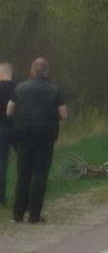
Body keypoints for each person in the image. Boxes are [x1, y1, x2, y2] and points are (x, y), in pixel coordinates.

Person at [8, 58, 67, 223]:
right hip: (45, 138)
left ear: (31, 70)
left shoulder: (19, 88)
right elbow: (64, 115)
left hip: (24, 136)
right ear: (47, 72)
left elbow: (9, 110)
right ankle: (34, 215)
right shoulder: (55, 91)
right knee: (40, 175)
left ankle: (17, 214)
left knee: (23, 174)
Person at [0, 63, 15, 207]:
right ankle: (24, 196)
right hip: (19, 128)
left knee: (1, 164)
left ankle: (1, 198)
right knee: (25, 162)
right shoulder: (19, 88)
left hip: (1, 129)